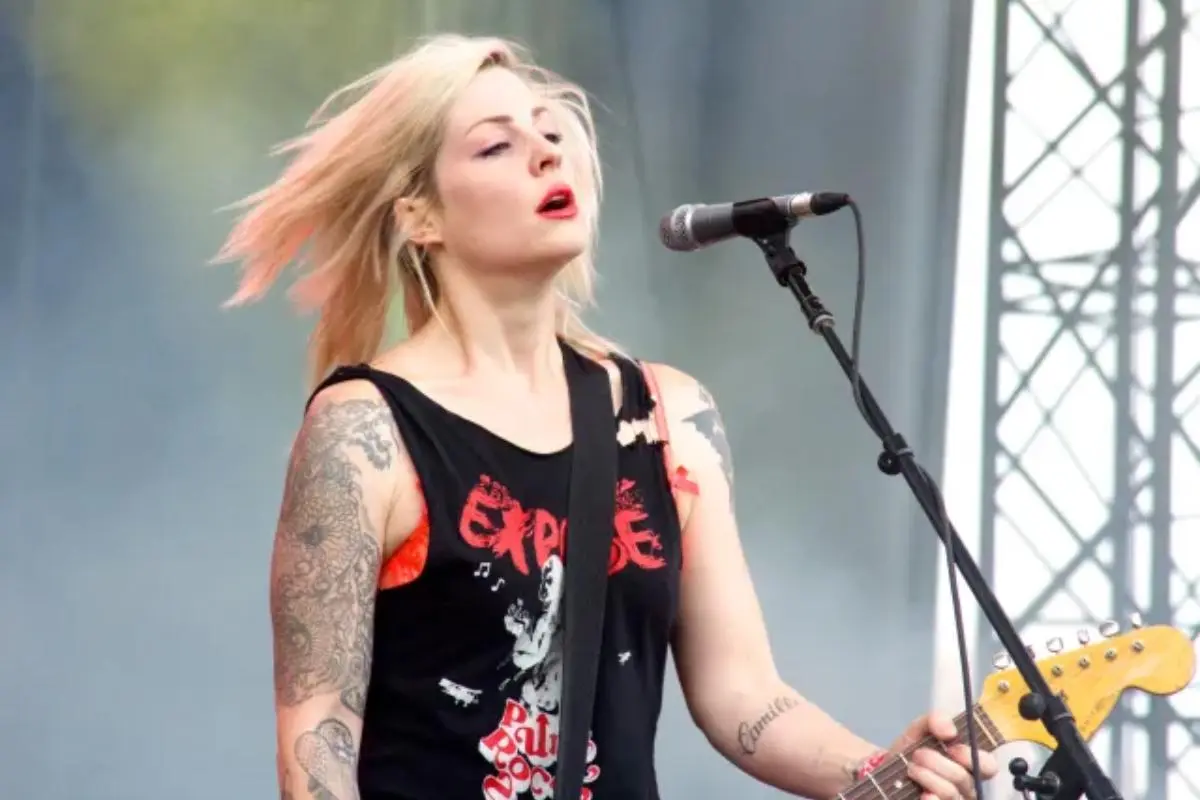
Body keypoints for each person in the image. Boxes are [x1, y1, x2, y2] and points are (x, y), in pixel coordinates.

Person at [216, 33, 998, 800]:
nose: (546, 154)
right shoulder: (367, 432)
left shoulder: (668, 416)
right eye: (496, 147)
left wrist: (875, 772)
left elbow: (743, 697)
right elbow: (319, 746)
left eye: (552, 132)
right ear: (421, 216)